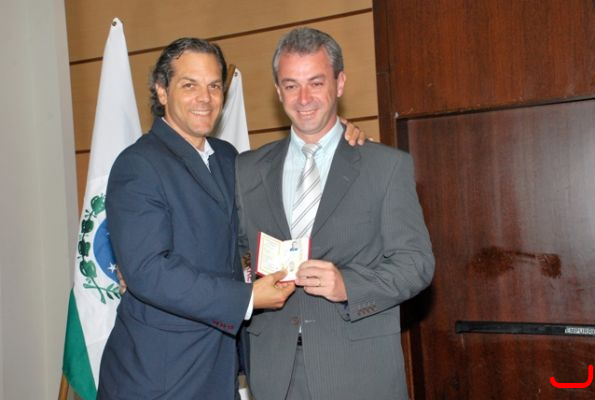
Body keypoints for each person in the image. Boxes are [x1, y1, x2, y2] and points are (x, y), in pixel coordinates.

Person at [99, 37, 366, 399]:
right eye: (189, 85)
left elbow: (281, 183)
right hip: (158, 375)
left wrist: (336, 134)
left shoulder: (228, 158)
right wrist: (247, 298)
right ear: (161, 91)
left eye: (214, 86)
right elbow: (149, 271)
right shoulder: (138, 165)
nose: (205, 98)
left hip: (220, 368)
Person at [235, 27, 435, 400]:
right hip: (274, 370)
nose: (304, 98)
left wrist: (349, 286)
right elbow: (236, 254)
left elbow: (416, 264)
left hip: (358, 370)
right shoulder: (246, 169)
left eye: (316, 82)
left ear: (339, 83)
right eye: (291, 85)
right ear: (278, 91)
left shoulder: (385, 166)